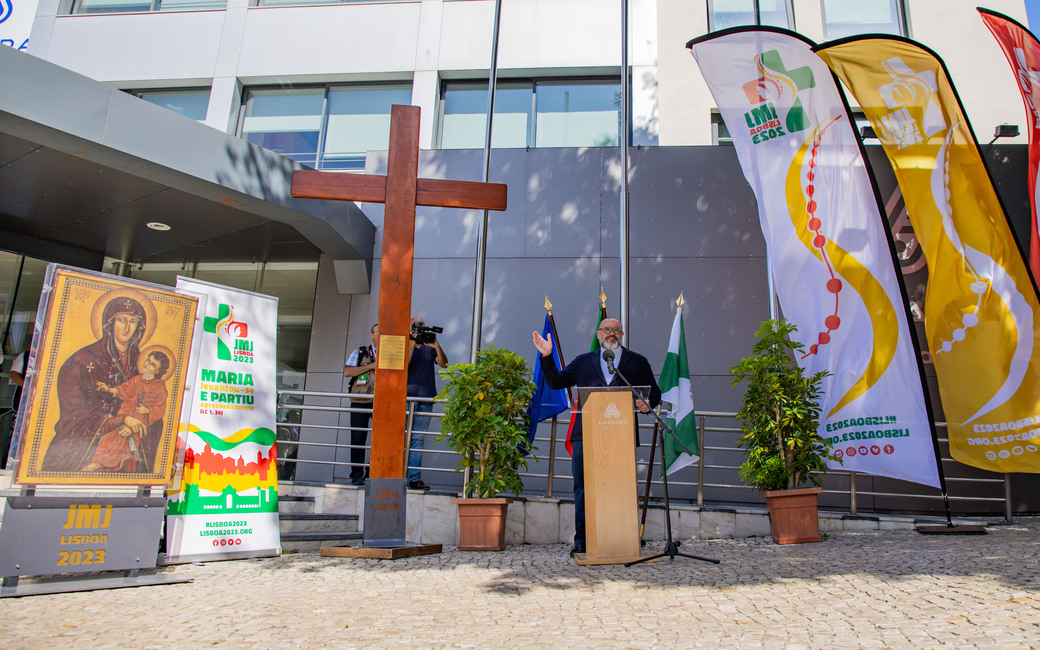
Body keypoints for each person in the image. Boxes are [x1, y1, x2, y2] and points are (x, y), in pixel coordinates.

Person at [532, 317, 661, 557]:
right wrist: (547, 356)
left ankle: (623, 537)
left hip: (621, 435)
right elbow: (556, 381)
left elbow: (654, 392)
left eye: (616, 330)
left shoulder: (637, 362)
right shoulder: (584, 361)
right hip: (585, 434)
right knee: (583, 487)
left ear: (622, 334)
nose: (612, 334)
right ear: (599, 333)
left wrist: (647, 403)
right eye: (607, 330)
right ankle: (583, 539)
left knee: (620, 488)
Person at [42, 296, 158, 473]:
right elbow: (75, 415)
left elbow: (156, 406)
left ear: (140, 327)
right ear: (108, 323)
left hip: (131, 446)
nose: (127, 328)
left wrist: (141, 418)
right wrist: (120, 420)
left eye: (133, 321)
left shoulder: (143, 364)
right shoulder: (82, 361)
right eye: (121, 320)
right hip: (91, 445)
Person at [81, 350, 171, 472]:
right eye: (148, 361)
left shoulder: (159, 387)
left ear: (158, 371)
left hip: (140, 423)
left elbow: (160, 409)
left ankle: (98, 463)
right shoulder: (137, 379)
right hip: (126, 417)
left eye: (152, 364)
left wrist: (147, 410)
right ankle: (98, 463)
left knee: (119, 439)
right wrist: (108, 389)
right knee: (106, 439)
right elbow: (123, 389)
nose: (147, 364)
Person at [406, 316, 447, 490]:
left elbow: (444, 364)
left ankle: (414, 479)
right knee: (400, 438)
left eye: (422, 326)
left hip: (426, 399)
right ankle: (396, 475)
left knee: (418, 439)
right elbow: (402, 365)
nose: (420, 329)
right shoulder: (404, 344)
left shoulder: (429, 347)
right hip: (405, 399)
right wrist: (411, 341)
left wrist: (435, 343)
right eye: (416, 326)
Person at [343, 323, 378, 486]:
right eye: (379, 332)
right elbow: (348, 372)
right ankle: (356, 475)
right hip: (360, 400)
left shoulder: (392, 352)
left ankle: (372, 474)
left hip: (381, 402)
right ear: (371, 335)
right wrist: (371, 366)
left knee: (378, 440)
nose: (382, 335)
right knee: (358, 438)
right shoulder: (360, 352)